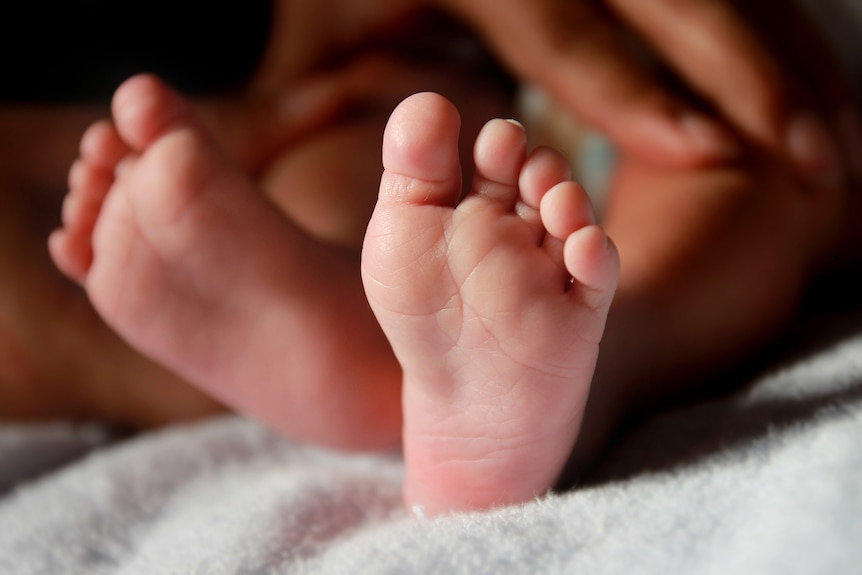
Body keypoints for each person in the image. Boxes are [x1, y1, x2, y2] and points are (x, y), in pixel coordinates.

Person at [5, 0, 862, 513]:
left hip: (693, 67)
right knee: (378, 162)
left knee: (749, 156)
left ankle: (559, 364)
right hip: (472, 57)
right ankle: (348, 321)